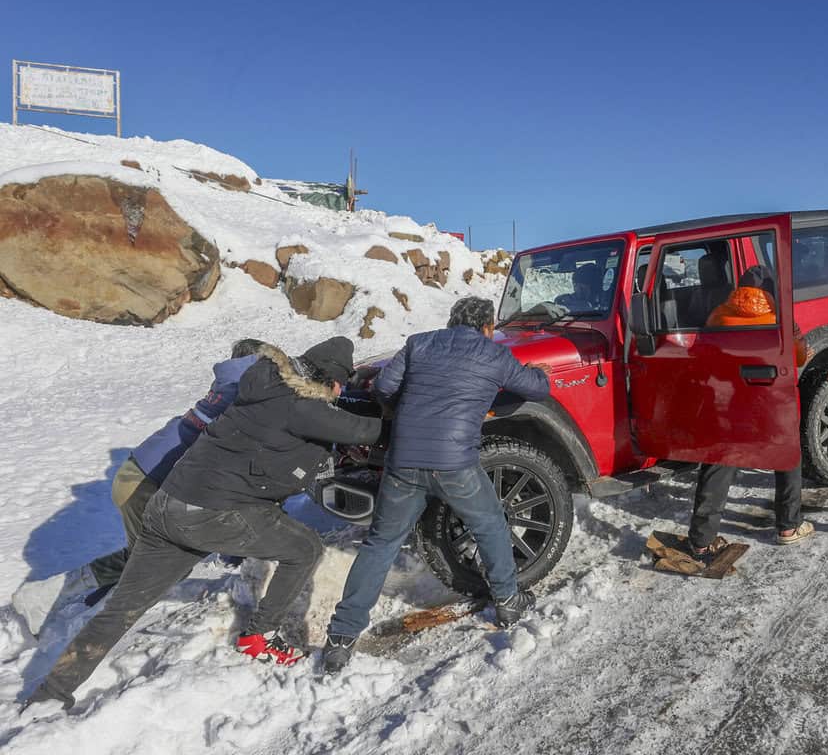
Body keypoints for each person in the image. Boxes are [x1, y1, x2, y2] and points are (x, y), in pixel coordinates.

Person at [23, 337, 382, 711]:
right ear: (328, 379)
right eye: (341, 382)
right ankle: (259, 636)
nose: (342, 390)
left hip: (166, 506)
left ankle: (49, 694)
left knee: (120, 611)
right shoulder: (300, 405)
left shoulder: (262, 386)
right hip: (210, 511)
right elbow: (363, 432)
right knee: (304, 548)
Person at [323, 297, 551, 674]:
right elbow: (536, 388)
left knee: (380, 543)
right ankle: (508, 600)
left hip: (404, 463)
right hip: (454, 465)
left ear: (449, 320)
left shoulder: (418, 343)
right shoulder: (492, 353)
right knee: (491, 523)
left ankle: (341, 638)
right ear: (488, 327)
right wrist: (538, 372)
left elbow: (384, 387)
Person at [11, 339, 263, 636]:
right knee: (160, 562)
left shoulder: (226, 385)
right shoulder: (242, 394)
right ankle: (43, 597)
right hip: (146, 484)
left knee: (150, 556)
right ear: (256, 365)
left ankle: (92, 596)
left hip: (138, 472)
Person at [687, 266, 816, 556]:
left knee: (719, 461)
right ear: (770, 290)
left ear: (739, 288)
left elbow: (705, 355)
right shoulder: (779, 316)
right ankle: (788, 526)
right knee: (787, 456)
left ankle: (701, 539)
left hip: (735, 401)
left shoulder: (719, 314)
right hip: (773, 400)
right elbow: (797, 356)